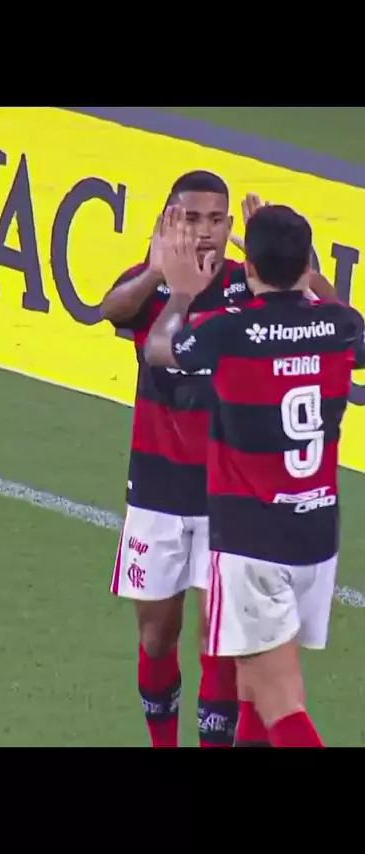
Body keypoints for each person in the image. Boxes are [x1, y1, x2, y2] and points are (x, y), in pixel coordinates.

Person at [101, 170, 337, 748]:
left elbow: (319, 306)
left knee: (220, 644)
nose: (204, 230)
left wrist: (298, 266)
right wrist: (159, 273)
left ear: (232, 226)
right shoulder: (150, 282)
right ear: (169, 220)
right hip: (156, 488)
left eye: (215, 219)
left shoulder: (245, 288)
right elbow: (108, 310)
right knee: (156, 636)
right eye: (191, 218)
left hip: (224, 497)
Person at [144, 203, 365, 747]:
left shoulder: (229, 330)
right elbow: (344, 317)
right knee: (253, 691)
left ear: (248, 267)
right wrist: (308, 275)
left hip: (253, 541)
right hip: (316, 535)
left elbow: (159, 350)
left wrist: (180, 295)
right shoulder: (340, 326)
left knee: (280, 702)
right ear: (307, 264)